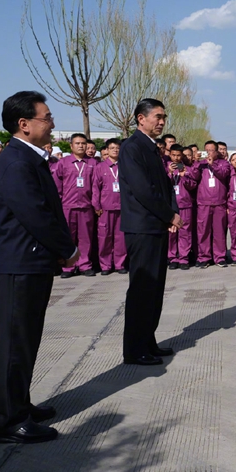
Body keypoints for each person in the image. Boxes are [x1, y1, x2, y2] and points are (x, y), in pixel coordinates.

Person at [0, 91, 79, 443]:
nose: (52, 123)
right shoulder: (16, 162)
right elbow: (35, 214)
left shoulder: (29, 158)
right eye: (47, 117)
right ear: (24, 124)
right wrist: (67, 248)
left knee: (27, 340)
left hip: (32, 262)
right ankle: (11, 421)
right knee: (16, 343)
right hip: (19, 265)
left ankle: (21, 403)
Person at [118, 99, 182, 366]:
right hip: (142, 227)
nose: (162, 122)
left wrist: (172, 212)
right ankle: (135, 349)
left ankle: (147, 340)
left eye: (164, 117)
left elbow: (165, 185)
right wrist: (168, 214)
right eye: (157, 116)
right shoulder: (132, 147)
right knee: (142, 289)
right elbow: (143, 189)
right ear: (141, 118)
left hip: (155, 225)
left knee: (155, 288)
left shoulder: (152, 148)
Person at [53, 133, 97, 278]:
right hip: (67, 206)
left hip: (86, 206)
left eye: (83, 143)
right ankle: (68, 267)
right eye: (77, 143)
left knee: (85, 238)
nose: (81, 146)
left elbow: (96, 187)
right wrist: (58, 205)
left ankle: (85, 265)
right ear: (71, 146)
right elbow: (57, 186)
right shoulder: (63, 163)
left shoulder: (92, 163)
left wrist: (95, 204)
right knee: (68, 237)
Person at [195, 141, 232, 268]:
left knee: (219, 231)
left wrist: (213, 165)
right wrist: (196, 162)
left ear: (216, 151)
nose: (209, 153)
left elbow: (223, 174)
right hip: (203, 203)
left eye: (211, 150)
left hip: (219, 203)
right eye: (207, 150)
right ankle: (204, 257)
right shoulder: (201, 164)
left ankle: (220, 257)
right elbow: (194, 177)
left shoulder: (224, 163)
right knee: (203, 231)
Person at [93, 139, 126, 275]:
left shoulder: (124, 166)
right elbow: (95, 188)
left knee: (120, 238)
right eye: (112, 148)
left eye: (117, 148)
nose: (115, 150)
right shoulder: (100, 167)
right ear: (106, 150)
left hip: (122, 208)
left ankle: (120, 264)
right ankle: (105, 265)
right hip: (105, 208)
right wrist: (96, 205)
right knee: (104, 237)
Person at [167, 144, 197, 270]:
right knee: (172, 233)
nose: (176, 158)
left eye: (178, 155)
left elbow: (193, 186)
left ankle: (184, 258)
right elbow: (161, 185)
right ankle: (172, 258)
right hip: (170, 205)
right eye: (173, 155)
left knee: (185, 232)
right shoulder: (165, 168)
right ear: (170, 154)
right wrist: (169, 173)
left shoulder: (187, 169)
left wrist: (184, 176)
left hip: (185, 204)